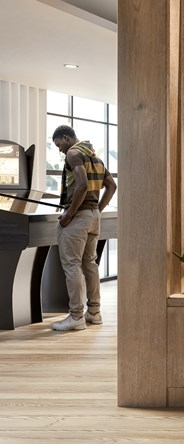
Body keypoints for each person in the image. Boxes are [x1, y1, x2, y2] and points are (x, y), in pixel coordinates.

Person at [50, 125, 117, 331]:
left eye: (59, 144)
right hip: (93, 217)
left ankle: (76, 316)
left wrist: (69, 215)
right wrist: (96, 209)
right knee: (90, 264)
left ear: (65, 137)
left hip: (77, 217)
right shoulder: (95, 157)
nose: (60, 150)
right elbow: (112, 186)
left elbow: (81, 185)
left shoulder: (73, 153)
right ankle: (94, 313)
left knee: (72, 266)